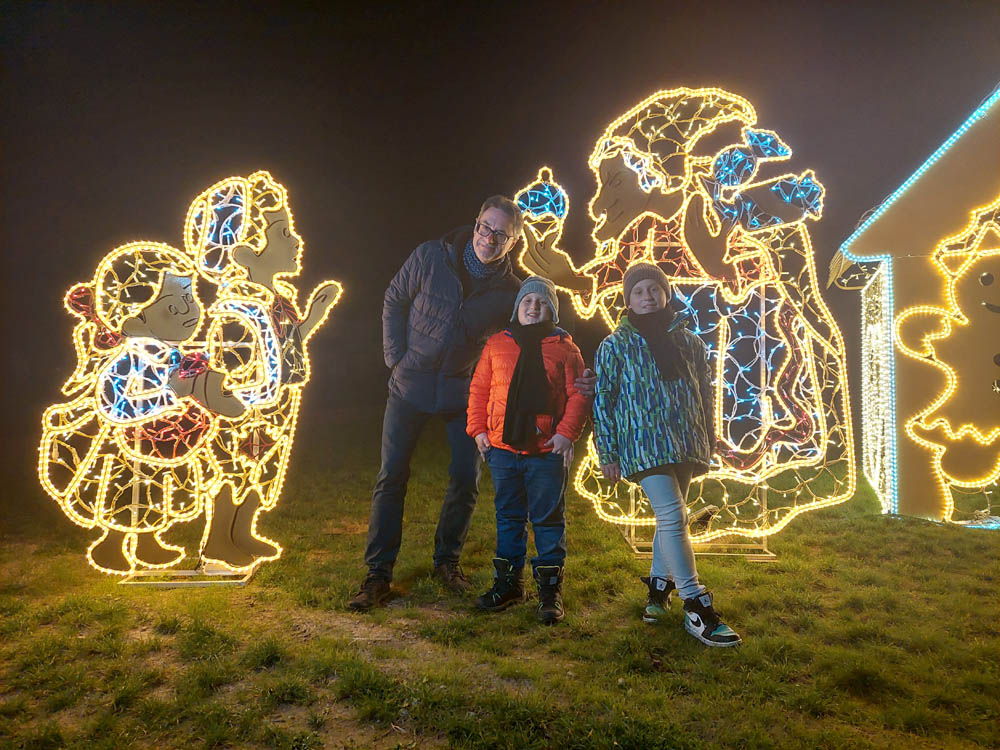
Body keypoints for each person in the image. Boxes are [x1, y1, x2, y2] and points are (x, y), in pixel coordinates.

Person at [350, 196, 596, 611]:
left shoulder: (511, 292)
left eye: (501, 234)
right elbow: (394, 299)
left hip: (461, 391)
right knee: (391, 477)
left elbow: (535, 336)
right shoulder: (431, 257)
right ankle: (378, 574)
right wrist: (396, 358)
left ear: (513, 241)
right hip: (408, 385)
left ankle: (447, 563)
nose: (489, 238)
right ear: (476, 223)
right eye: (485, 227)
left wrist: (579, 370)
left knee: (465, 480)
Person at [39, 242, 244, 574]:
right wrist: (169, 395)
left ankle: (148, 542)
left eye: (190, 298)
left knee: (158, 492)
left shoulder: (175, 353)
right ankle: (111, 546)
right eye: (173, 306)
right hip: (126, 444)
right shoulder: (131, 357)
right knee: (125, 492)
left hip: (167, 437)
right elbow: (113, 404)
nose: (189, 311)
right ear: (132, 319)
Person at [592, 262, 741, 647]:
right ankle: (696, 604)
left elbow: (703, 393)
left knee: (668, 521)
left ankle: (658, 592)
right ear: (628, 299)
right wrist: (607, 449)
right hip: (642, 444)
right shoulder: (615, 345)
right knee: (675, 517)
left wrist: (709, 436)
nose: (647, 297)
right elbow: (603, 400)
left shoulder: (690, 343)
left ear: (666, 294)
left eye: (654, 290)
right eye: (638, 291)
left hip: (686, 441)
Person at [467, 276, 589, 624]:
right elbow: (479, 390)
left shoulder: (565, 348)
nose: (533, 308)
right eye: (527, 303)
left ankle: (549, 592)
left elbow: (578, 395)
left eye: (541, 303)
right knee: (508, 516)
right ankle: (508, 584)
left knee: (548, 518)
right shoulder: (496, 345)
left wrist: (566, 434)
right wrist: (477, 429)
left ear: (552, 310)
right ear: (516, 309)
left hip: (546, 452)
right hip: (503, 449)